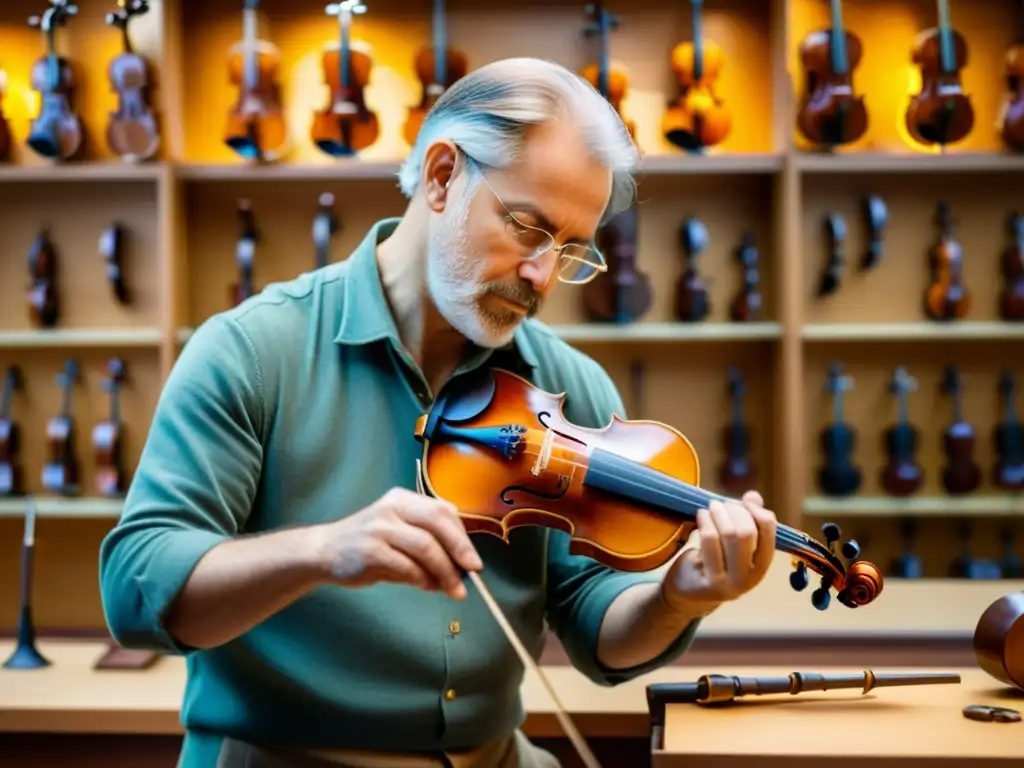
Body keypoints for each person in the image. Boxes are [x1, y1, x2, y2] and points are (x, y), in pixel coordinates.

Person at [98, 57, 777, 768]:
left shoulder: (571, 391)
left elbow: (591, 617)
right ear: (443, 175)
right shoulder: (251, 350)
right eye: (527, 228)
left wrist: (677, 597)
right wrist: (324, 551)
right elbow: (137, 589)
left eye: (572, 251)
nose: (543, 276)